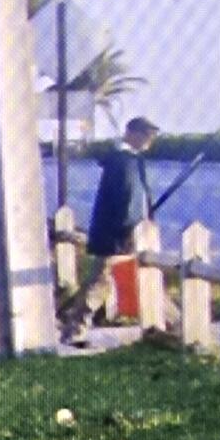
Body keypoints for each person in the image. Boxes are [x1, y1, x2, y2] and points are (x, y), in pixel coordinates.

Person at [69, 116, 163, 337]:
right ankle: (75, 328)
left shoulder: (129, 159)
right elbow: (126, 198)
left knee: (142, 276)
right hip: (120, 234)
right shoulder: (124, 160)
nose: (149, 140)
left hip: (130, 231)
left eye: (151, 135)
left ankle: (165, 325)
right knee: (102, 280)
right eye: (145, 134)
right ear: (131, 133)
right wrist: (130, 228)